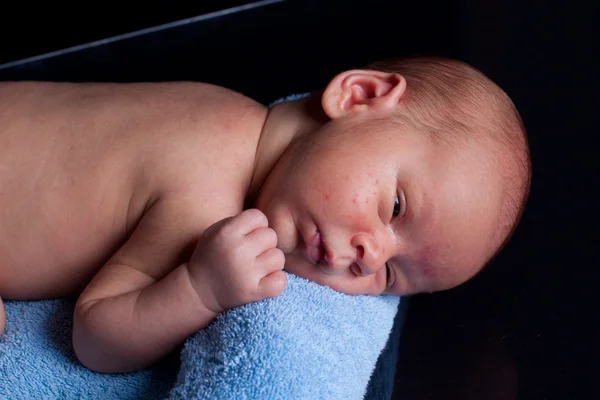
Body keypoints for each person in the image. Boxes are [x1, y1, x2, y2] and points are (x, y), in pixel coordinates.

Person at [0, 56, 531, 374]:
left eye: (392, 276)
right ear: (358, 94)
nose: (371, 256)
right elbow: (95, 338)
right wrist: (199, 289)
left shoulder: (227, 112)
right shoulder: (206, 189)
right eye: (395, 208)